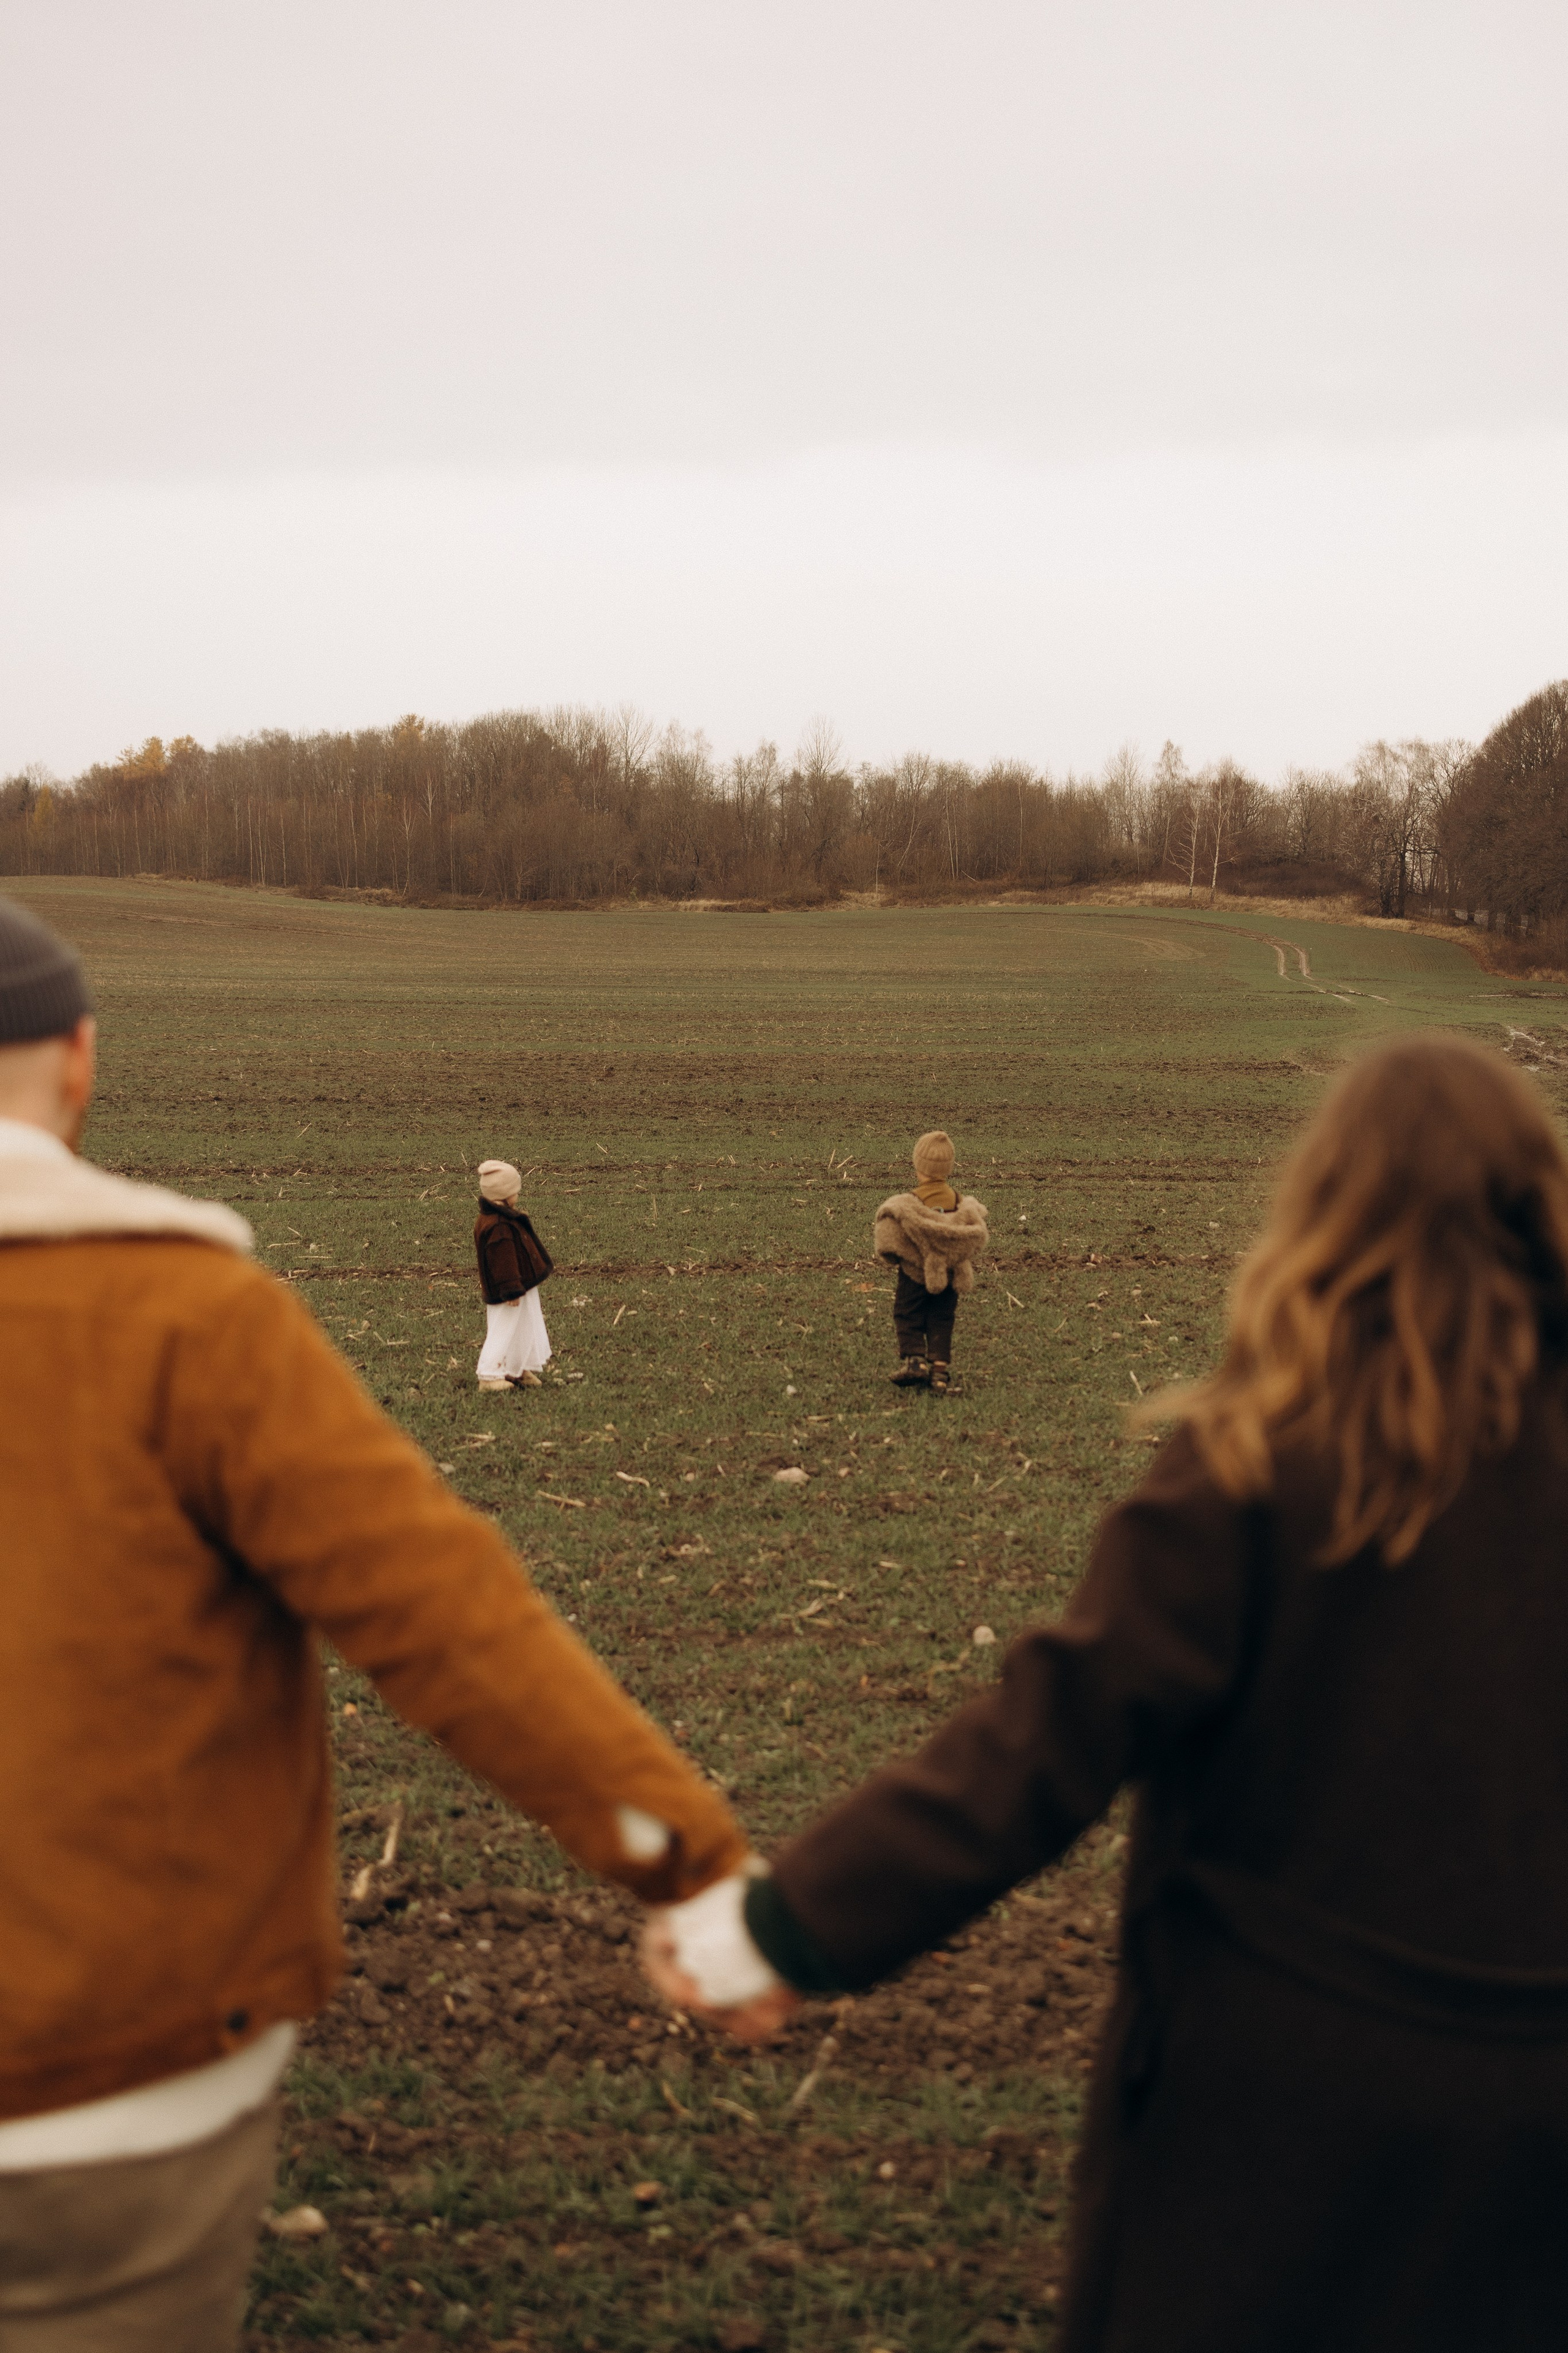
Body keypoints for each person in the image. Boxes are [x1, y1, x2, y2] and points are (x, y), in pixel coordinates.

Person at [649, 1036, 1568, 2351]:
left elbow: (1045, 1740)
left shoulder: (1253, 1459)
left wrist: (787, 1929)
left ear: (1325, 1206)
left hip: (1263, 2113)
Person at [0, 897, 748, 2352]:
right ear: (82, 1061)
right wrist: (684, 1859)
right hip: (117, 2089)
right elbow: (445, 1619)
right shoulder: (194, 1320)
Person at [872, 1128, 988, 1394]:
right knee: (942, 1318)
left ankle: (915, 1361)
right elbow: (971, 1239)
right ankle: (939, 1372)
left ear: (918, 1165)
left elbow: (890, 1239)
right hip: (950, 1274)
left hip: (915, 1274)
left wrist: (896, 1256)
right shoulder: (961, 1204)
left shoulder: (909, 1203)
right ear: (949, 1167)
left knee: (908, 1314)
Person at [473, 1157, 552, 1390]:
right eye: (515, 1190)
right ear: (504, 1194)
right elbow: (503, 1262)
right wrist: (511, 1289)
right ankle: (488, 1375)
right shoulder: (498, 1225)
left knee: (525, 1325)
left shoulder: (504, 1218)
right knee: (503, 1328)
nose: (518, 1194)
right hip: (509, 1289)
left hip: (522, 1285)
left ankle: (516, 1368)